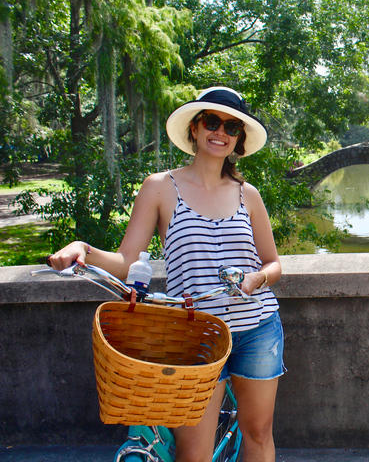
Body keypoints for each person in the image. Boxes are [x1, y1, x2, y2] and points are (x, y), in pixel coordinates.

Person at [47, 87, 284, 462]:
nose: (220, 131)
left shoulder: (247, 195)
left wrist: (256, 280)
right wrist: (83, 249)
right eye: (211, 121)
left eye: (232, 126)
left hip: (257, 329)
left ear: (238, 139)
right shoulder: (160, 188)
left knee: (258, 433)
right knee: (194, 453)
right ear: (194, 128)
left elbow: (273, 263)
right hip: (195, 336)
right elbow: (126, 260)